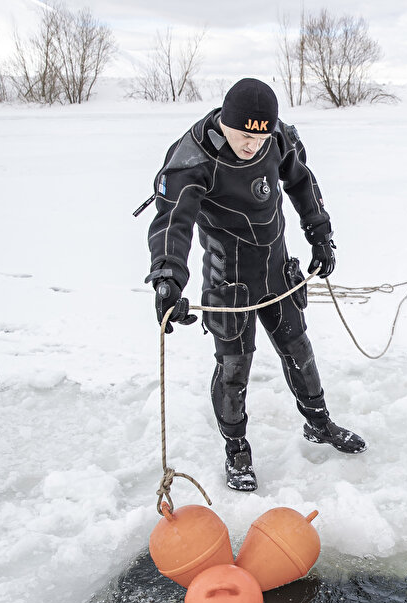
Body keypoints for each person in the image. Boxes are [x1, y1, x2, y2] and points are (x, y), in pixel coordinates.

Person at [144, 78, 365, 493]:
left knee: (298, 348)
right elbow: (174, 223)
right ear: (226, 124)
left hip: (276, 269)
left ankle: (319, 423)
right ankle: (236, 449)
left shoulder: (275, 136)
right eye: (245, 136)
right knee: (234, 369)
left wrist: (320, 233)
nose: (253, 146)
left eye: (260, 137)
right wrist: (168, 277)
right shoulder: (192, 160)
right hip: (229, 282)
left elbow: (300, 181)